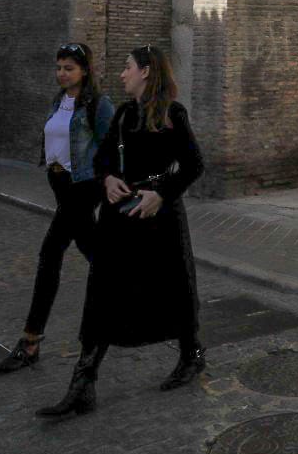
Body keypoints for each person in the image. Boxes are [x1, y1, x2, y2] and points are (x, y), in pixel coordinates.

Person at [40, 44, 205, 418]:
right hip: (120, 216)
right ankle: (83, 383)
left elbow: (194, 164)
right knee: (103, 293)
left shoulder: (172, 115)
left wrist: (162, 194)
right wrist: (108, 179)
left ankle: (192, 355)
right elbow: (101, 160)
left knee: (174, 288)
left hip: (159, 217)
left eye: (128, 67)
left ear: (146, 72)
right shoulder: (123, 114)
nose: (122, 74)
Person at [0, 43, 115, 373]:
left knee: (50, 255)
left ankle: (30, 341)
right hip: (61, 185)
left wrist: (109, 183)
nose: (62, 74)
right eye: (59, 67)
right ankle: (138, 301)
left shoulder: (98, 105)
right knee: (98, 255)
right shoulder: (57, 101)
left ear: (85, 70)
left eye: (69, 68)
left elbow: (111, 146)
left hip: (83, 187)